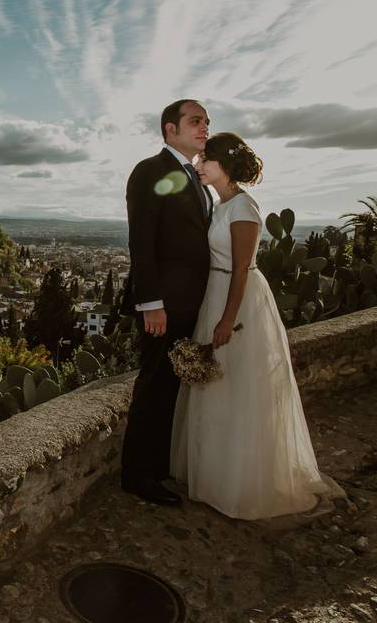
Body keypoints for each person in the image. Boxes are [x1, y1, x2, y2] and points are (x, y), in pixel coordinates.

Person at [170, 133, 339, 520]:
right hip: (216, 291)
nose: (197, 166)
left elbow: (242, 268)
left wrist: (228, 319)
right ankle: (214, 477)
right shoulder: (221, 204)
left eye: (204, 161)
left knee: (238, 384)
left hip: (237, 297)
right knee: (216, 386)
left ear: (224, 165)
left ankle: (240, 483)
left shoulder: (243, 207)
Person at [121, 99, 213, 506]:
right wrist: (151, 302)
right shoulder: (151, 170)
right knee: (153, 386)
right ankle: (136, 475)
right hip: (163, 305)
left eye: (207, 122)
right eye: (196, 121)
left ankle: (157, 467)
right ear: (169, 129)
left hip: (191, 303)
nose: (204, 127)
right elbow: (142, 240)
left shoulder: (195, 176)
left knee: (172, 388)